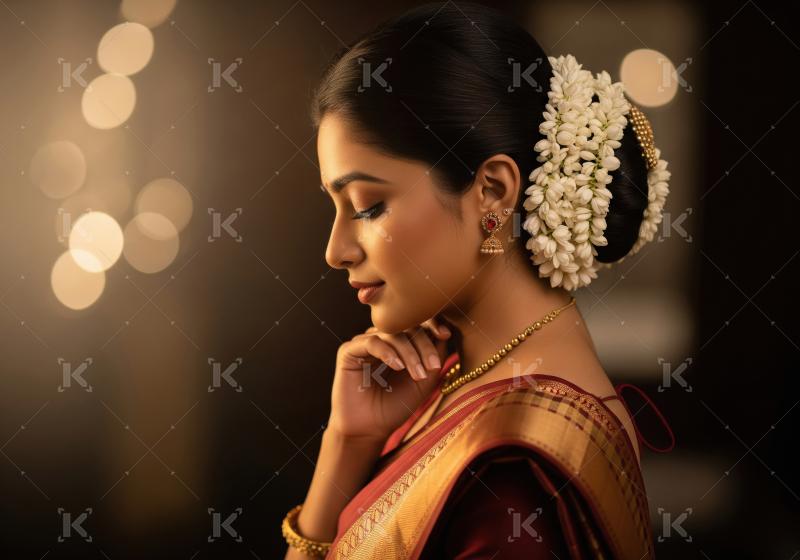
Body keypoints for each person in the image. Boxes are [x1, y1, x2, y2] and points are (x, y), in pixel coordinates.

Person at [282, 2, 673, 558]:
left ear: (491, 194)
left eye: (368, 206)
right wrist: (348, 442)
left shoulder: (514, 481)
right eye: (336, 207)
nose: (335, 251)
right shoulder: (454, 383)